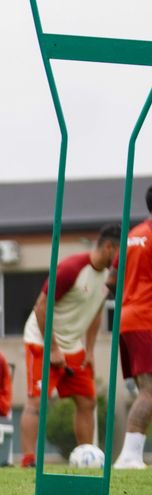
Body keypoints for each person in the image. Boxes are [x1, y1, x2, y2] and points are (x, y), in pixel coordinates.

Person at [20, 224, 119, 468]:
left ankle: (87, 458)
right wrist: (52, 348)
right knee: (37, 401)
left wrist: (91, 350)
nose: (122, 260)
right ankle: (29, 460)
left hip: (74, 346)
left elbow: (95, 314)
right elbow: (41, 307)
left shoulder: (108, 279)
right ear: (109, 247)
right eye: (121, 253)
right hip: (41, 340)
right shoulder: (72, 268)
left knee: (87, 401)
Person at [115, 187, 152, 470]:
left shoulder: (131, 236)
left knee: (146, 388)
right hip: (145, 318)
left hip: (127, 316)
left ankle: (131, 454)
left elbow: (112, 280)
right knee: (149, 391)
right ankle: (129, 456)